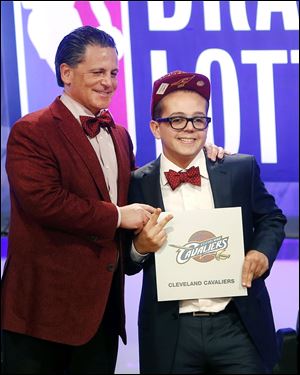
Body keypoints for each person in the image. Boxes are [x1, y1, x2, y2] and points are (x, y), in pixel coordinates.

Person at [1, 27, 225, 374]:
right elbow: (44, 202)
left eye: (114, 73)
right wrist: (119, 216)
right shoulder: (32, 130)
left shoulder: (119, 134)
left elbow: (141, 192)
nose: (109, 82)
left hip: (101, 314)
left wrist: (199, 155)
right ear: (66, 73)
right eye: (98, 72)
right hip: (41, 315)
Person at [126, 70, 287, 374]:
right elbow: (127, 261)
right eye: (177, 119)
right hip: (171, 331)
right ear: (155, 128)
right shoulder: (137, 183)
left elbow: (271, 218)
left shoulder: (238, 169)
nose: (190, 128)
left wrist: (260, 252)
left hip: (237, 324)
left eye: (198, 119)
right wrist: (139, 247)